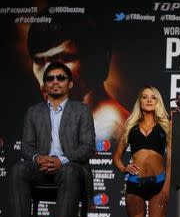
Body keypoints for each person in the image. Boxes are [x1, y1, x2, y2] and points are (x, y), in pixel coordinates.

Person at [9, 62, 96, 217]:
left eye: (61, 78)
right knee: (18, 170)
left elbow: (87, 147)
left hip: (70, 172)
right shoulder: (34, 111)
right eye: (50, 78)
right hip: (40, 170)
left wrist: (61, 160)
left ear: (70, 84)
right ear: (44, 85)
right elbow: (26, 146)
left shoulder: (81, 110)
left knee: (70, 170)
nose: (55, 82)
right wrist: (39, 158)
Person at [27, 8, 128, 141]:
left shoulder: (107, 128)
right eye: (39, 61)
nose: (49, 74)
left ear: (95, 61)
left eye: (63, 59)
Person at [113, 86, 171, 217]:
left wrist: (166, 186)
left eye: (153, 97)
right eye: (145, 97)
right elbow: (117, 156)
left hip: (158, 183)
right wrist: (124, 168)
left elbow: (170, 159)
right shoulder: (130, 126)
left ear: (157, 101)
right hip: (135, 184)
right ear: (139, 101)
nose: (148, 100)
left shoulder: (166, 126)